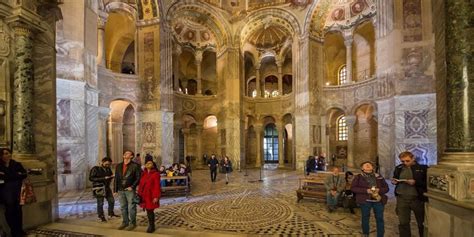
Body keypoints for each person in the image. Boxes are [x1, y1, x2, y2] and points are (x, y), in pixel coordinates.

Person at [392, 151, 428, 237]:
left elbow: (427, 184)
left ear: (413, 158)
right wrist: (394, 181)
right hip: (402, 198)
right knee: (403, 222)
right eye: (402, 161)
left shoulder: (423, 168)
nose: (405, 163)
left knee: (421, 222)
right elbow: (395, 178)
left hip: (417, 199)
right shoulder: (399, 168)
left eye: (407, 161)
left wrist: (416, 182)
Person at [351, 161, 389, 237]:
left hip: (378, 200)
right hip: (365, 201)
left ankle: (380, 235)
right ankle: (365, 233)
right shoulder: (358, 177)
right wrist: (366, 191)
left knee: (379, 218)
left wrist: (379, 190)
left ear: (373, 167)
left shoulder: (379, 177)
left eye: (370, 164)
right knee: (365, 217)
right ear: (362, 168)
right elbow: (353, 188)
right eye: (365, 165)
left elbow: (386, 188)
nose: (368, 165)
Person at [0, 148, 27, 237]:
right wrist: (16, 175)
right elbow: (16, 176)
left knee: (18, 211)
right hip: (5, 193)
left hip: (17, 191)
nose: (6, 155)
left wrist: (7, 175)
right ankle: (14, 231)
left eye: (7, 153)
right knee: (10, 211)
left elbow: (24, 174)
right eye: (3, 154)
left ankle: (19, 229)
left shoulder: (16, 164)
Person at [114, 150, 141, 231]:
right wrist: (115, 190)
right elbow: (116, 178)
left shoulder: (135, 166)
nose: (125, 154)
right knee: (123, 207)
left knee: (131, 207)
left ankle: (133, 223)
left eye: (128, 153)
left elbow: (138, 178)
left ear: (131, 156)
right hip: (120, 189)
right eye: (125, 153)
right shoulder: (118, 165)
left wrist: (132, 187)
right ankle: (125, 222)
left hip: (129, 190)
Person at [89, 157, 118, 222]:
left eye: (109, 164)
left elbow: (109, 176)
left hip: (107, 187)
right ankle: (101, 216)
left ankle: (111, 214)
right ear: (102, 162)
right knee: (100, 203)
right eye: (106, 164)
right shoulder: (95, 168)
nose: (108, 166)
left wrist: (112, 176)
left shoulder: (108, 169)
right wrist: (103, 178)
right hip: (99, 188)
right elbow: (91, 178)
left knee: (111, 201)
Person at [137, 156, 161, 233]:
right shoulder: (143, 174)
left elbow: (157, 186)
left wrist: (156, 197)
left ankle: (151, 226)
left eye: (150, 163)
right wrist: (139, 194)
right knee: (148, 210)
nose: (148, 164)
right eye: (147, 163)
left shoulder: (156, 174)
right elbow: (141, 184)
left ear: (153, 164)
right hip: (144, 195)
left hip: (151, 196)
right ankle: (151, 224)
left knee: (150, 210)